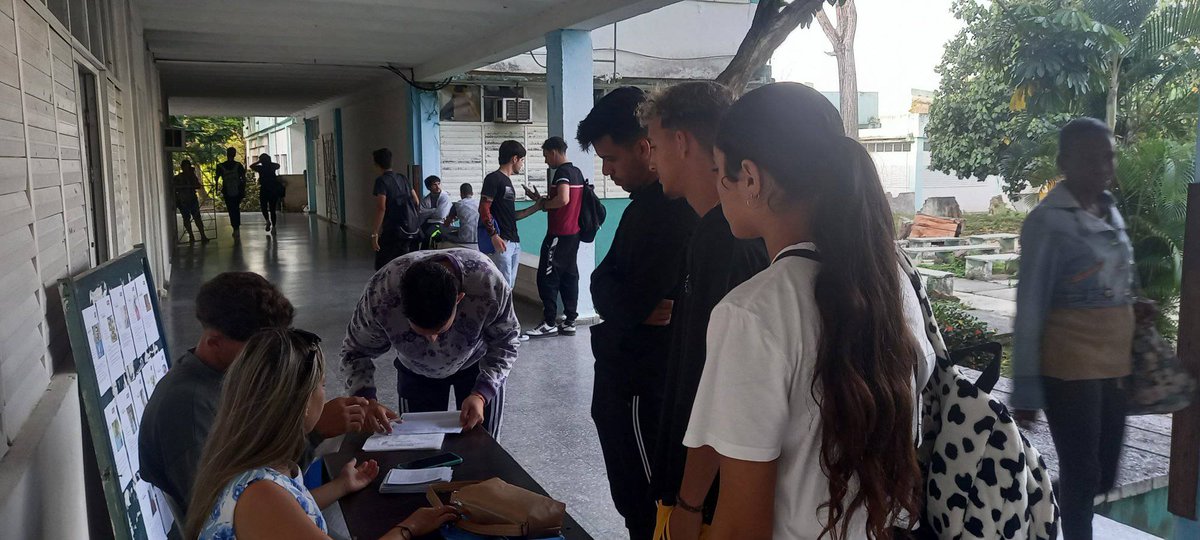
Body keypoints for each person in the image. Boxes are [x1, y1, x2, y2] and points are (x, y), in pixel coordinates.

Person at [682, 82, 936, 539]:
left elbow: (741, 527)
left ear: (752, 180)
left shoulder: (752, 314)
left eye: (722, 172)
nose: (719, 188)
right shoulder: (894, 283)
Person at [634, 81, 770, 538]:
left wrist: (690, 502)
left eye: (653, 144)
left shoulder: (728, 241)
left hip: (708, 501)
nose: (649, 160)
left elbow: (724, 383)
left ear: (681, 141)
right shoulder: (709, 232)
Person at [186, 328, 460, 540]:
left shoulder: (252, 466)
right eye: (323, 385)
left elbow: (289, 514)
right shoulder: (260, 494)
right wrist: (409, 527)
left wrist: (341, 485)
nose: (326, 394)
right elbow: (275, 510)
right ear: (302, 403)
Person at [140, 272, 376, 513]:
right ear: (214, 342)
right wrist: (313, 433)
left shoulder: (234, 375)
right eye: (258, 350)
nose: (273, 359)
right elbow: (226, 513)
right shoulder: (187, 409)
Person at [1011, 117, 1145, 540]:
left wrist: (1135, 305)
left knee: (1103, 474)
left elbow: (1110, 279)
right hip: (1069, 367)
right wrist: (1026, 389)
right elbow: (1030, 306)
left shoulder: (1110, 209)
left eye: (1107, 155)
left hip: (1114, 364)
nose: (1102, 165)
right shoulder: (1047, 223)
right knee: (1084, 472)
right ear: (1064, 161)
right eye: (1090, 156)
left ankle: (1044, 500)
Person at [581, 86, 698, 540]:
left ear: (648, 147)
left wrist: (618, 311)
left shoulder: (670, 214)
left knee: (647, 506)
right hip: (626, 383)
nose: (608, 173)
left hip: (641, 388)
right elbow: (603, 286)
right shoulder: (642, 211)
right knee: (636, 505)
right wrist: (619, 309)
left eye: (611, 159)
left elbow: (628, 300)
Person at [341, 249, 520, 437]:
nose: (433, 342)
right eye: (420, 333)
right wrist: (367, 400)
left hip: (477, 365)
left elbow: (506, 343)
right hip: (416, 371)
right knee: (418, 450)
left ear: (459, 299)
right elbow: (354, 352)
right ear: (400, 306)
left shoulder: (488, 284)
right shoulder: (381, 294)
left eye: (440, 331)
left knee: (485, 448)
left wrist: (483, 393)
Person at [523, 137, 587, 339]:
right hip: (573, 234)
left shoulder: (563, 173)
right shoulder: (577, 172)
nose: (546, 161)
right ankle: (570, 321)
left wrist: (542, 205)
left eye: (545, 156)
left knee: (547, 277)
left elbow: (563, 199)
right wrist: (541, 199)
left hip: (559, 234)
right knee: (569, 276)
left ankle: (549, 322)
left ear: (554, 152)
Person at [480, 140, 544, 287]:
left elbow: (510, 215)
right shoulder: (493, 179)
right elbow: (484, 208)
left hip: (514, 241)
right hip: (502, 241)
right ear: (514, 159)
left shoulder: (508, 183)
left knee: (509, 286)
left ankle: (506, 311)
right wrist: (494, 235)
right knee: (502, 287)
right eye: (521, 160)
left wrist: (536, 207)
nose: (522, 164)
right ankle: (502, 311)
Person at [369, 148, 422, 270]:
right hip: (411, 230)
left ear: (376, 164)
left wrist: (375, 233)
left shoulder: (381, 181)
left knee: (383, 265)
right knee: (406, 264)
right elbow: (416, 201)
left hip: (392, 229)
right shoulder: (403, 178)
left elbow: (381, 207)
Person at [172, 159, 210, 243]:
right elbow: (174, 189)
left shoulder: (192, 177)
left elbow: (198, 186)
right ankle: (191, 236)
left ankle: (202, 235)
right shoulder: (178, 178)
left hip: (192, 199)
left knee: (197, 218)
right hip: (183, 201)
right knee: (186, 219)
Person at [215, 147, 247, 238]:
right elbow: (243, 179)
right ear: (235, 154)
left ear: (227, 154)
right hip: (237, 191)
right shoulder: (238, 165)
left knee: (231, 209)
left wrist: (216, 189)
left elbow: (216, 178)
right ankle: (236, 228)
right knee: (236, 209)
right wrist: (243, 189)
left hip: (227, 191)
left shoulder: (221, 166)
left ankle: (235, 227)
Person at [251, 154, 283, 234]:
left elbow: (251, 166)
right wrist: (269, 162)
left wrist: (259, 162)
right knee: (272, 209)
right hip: (273, 189)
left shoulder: (260, 168)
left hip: (264, 189)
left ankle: (267, 220)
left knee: (263, 207)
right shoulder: (272, 167)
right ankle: (274, 227)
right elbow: (278, 165)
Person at [442, 183, 480, 249]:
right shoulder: (479, 203)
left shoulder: (457, 205)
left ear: (461, 194)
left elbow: (447, 224)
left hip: (464, 240)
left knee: (443, 234)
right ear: (472, 193)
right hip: (479, 239)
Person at [419, 175, 452, 249]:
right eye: (434, 185)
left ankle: (425, 254)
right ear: (428, 187)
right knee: (418, 235)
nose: (438, 187)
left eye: (438, 184)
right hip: (427, 224)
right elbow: (421, 213)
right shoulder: (425, 200)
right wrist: (435, 210)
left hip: (442, 224)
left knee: (428, 235)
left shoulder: (445, 197)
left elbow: (441, 214)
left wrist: (429, 213)